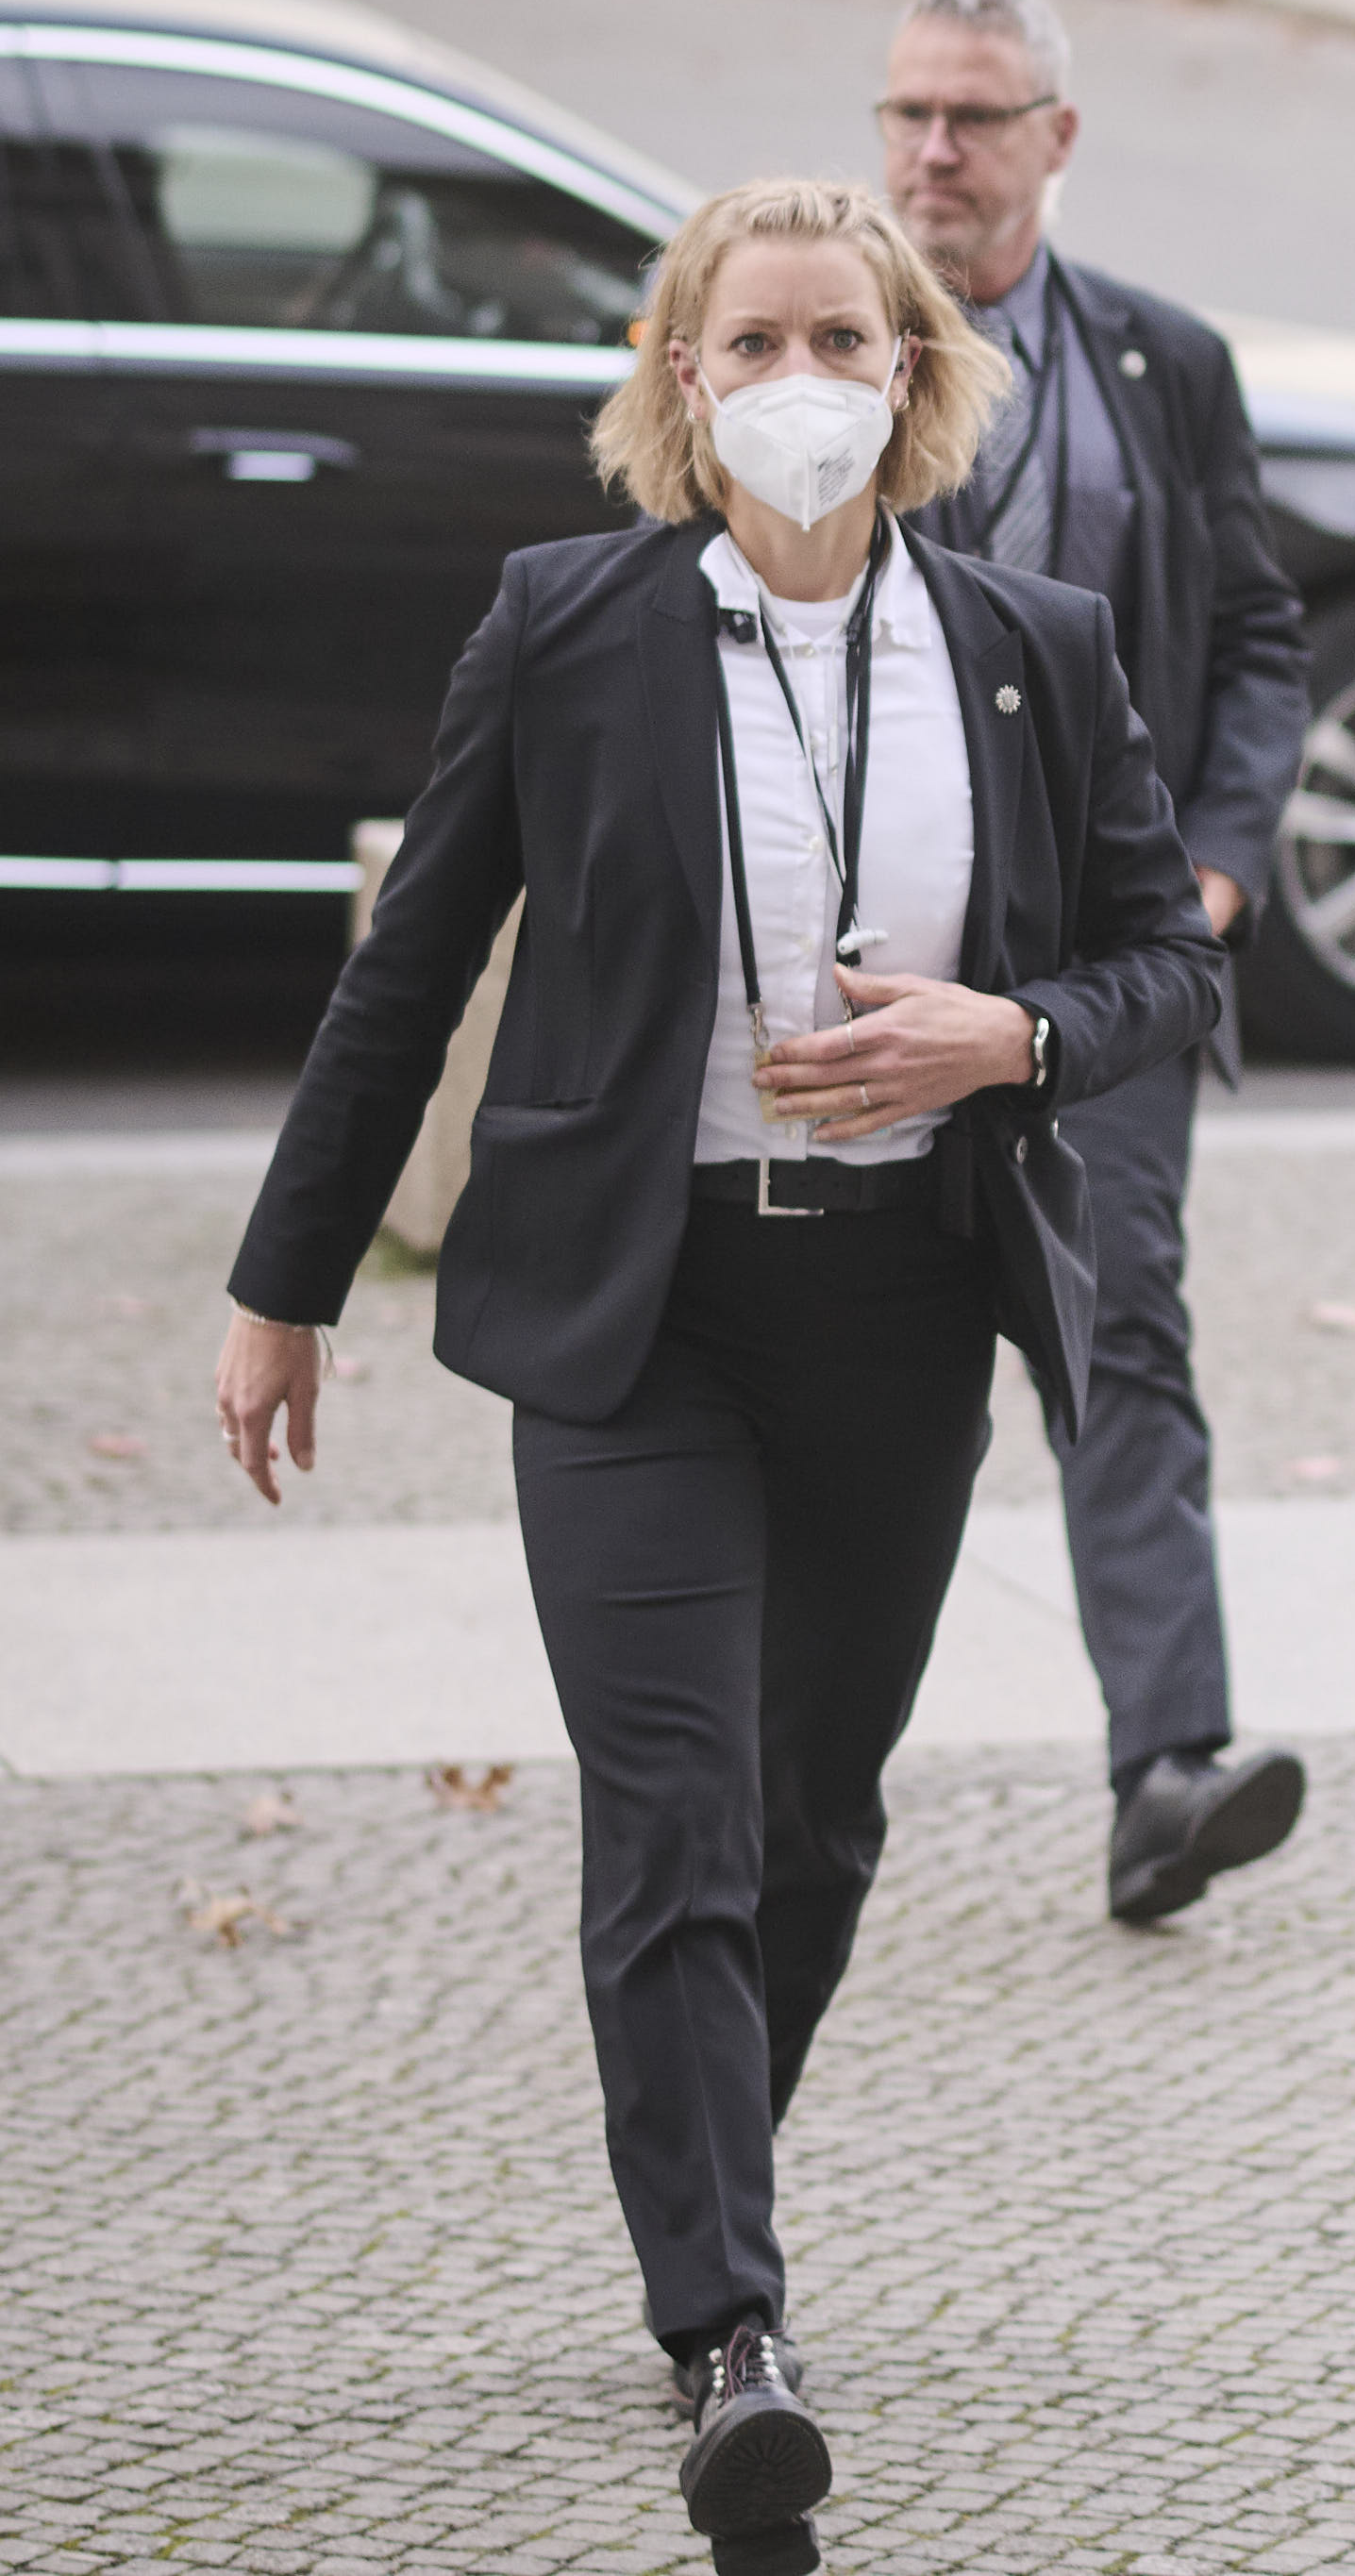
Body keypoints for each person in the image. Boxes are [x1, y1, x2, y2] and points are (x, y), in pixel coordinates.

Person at [210, 177, 1225, 2576]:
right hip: (634, 1309)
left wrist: (1018, 1031)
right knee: (668, 1801)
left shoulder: (1029, 642)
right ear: (681, 374)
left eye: (843, 336)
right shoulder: (567, 626)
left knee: (813, 1814)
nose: (798, 375)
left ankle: (700, 2152)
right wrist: (285, 1279)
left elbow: (1156, 968)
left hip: (891, 1306)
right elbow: (414, 958)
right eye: (747, 335)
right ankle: (729, 2330)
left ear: (913, 370)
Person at [878, 0, 1321, 1925]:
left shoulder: (1160, 364)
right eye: (905, 114)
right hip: (865, 981)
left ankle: (1167, 1771)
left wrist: (1214, 878)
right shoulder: (812, 356)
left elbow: (1253, 638)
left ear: (1055, 139)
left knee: (1119, 1344)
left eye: (973, 118)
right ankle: (772, 1776)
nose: (933, 153)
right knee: (849, 1379)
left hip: (1107, 986)